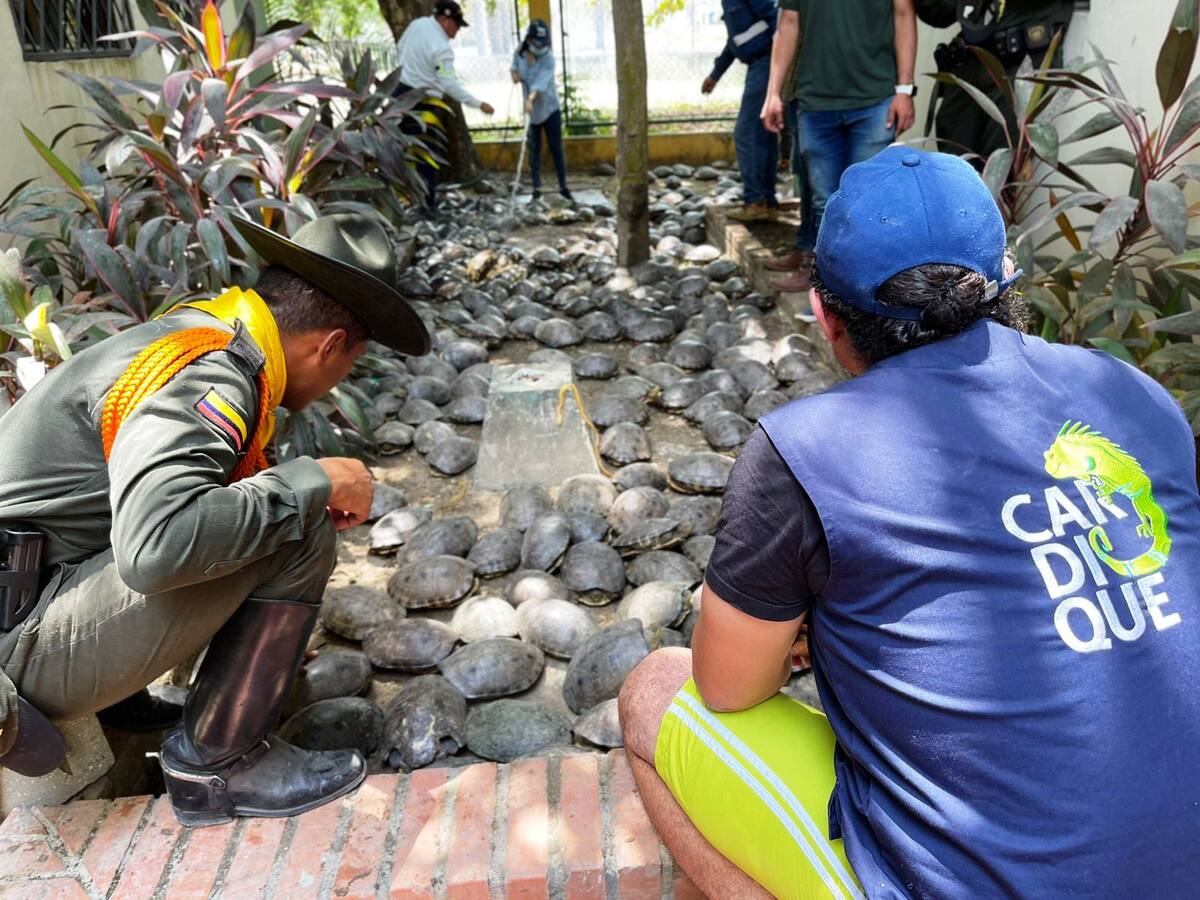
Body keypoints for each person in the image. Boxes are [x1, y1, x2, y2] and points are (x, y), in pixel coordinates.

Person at [620, 146, 1200, 898]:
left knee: (654, 690)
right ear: (1006, 284)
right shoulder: (1133, 395)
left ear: (823, 312)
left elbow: (730, 688)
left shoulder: (803, 451)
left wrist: (810, 631)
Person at [0, 213, 431, 827]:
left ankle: (126, 702)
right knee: (298, 522)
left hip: (26, 596)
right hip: (14, 653)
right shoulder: (208, 372)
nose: (339, 383)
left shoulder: (200, 330)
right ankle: (222, 763)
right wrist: (314, 481)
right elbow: (157, 547)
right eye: (349, 365)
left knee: (265, 501)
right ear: (331, 345)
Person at [761, 0, 918, 292]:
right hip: (816, 101)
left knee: (868, 202)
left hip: (875, 99)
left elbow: (903, 13)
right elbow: (788, 24)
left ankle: (870, 293)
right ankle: (830, 294)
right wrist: (773, 94)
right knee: (826, 204)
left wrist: (905, 90)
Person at [922, 0, 1073, 160]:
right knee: (953, 171)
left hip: (1019, 69)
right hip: (969, 72)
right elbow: (935, 12)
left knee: (1002, 169)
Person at [394, 0, 495, 211]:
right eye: (456, 25)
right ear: (444, 19)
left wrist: (411, 70)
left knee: (398, 151)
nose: (458, 31)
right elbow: (449, 84)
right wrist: (478, 104)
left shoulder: (417, 25)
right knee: (427, 156)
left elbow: (401, 47)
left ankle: (400, 202)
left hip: (398, 95)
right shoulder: (442, 49)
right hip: (423, 105)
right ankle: (427, 207)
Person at [702, 0, 779, 223]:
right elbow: (736, 40)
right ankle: (766, 202)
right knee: (763, 133)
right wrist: (716, 73)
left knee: (746, 134)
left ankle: (756, 202)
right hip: (760, 63)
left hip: (766, 62)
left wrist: (780, 62)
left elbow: (777, 21)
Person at [510, 19, 573, 203]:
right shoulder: (520, 51)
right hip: (531, 111)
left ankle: (563, 187)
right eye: (536, 43)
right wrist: (515, 75)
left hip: (549, 107)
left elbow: (540, 84)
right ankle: (537, 189)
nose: (539, 47)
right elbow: (514, 68)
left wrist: (530, 99)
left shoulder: (549, 58)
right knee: (533, 149)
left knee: (555, 148)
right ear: (529, 39)